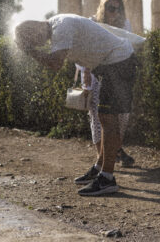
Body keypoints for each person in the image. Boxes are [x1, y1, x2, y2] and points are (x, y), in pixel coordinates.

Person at [16, 13, 142, 196]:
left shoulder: (61, 28)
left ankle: (107, 178)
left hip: (118, 61)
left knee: (107, 118)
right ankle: (100, 168)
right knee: (105, 117)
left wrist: (29, 51)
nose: (39, 45)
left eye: (33, 41)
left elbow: (55, 64)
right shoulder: (58, 25)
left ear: (34, 29)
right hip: (112, 63)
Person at [76, 0, 136, 169]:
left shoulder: (125, 24)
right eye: (111, 8)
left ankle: (114, 150)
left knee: (122, 116)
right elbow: (83, 48)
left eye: (119, 8)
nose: (115, 12)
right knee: (97, 117)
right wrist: (86, 72)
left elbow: (128, 47)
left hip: (119, 75)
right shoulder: (92, 23)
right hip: (95, 74)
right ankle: (101, 160)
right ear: (103, 8)